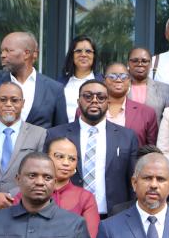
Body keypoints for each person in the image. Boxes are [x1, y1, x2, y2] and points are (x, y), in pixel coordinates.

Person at [43, 79, 139, 217]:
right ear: (78, 101)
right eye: (88, 96)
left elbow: (133, 180)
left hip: (114, 217)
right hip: (66, 215)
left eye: (101, 97)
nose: (94, 101)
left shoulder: (127, 137)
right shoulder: (55, 135)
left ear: (108, 103)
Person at [0, 32, 68, 131]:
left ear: (26, 54)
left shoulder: (54, 88)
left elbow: (61, 131)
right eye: (2, 51)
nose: (2, 55)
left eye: (8, 51)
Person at [101, 62, 158, 147]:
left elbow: (151, 150)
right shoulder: (87, 110)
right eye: (112, 76)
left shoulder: (147, 113)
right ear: (104, 81)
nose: (118, 80)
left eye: (123, 77)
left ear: (129, 81)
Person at [59, 36, 102, 122]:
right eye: (78, 51)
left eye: (88, 51)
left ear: (94, 56)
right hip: (64, 132)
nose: (83, 54)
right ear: (72, 55)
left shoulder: (103, 82)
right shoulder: (60, 83)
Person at [126, 47, 169, 121]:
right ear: (128, 63)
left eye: (144, 61)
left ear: (151, 64)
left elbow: (168, 120)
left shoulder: (165, 89)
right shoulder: (120, 87)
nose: (140, 64)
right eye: (135, 61)